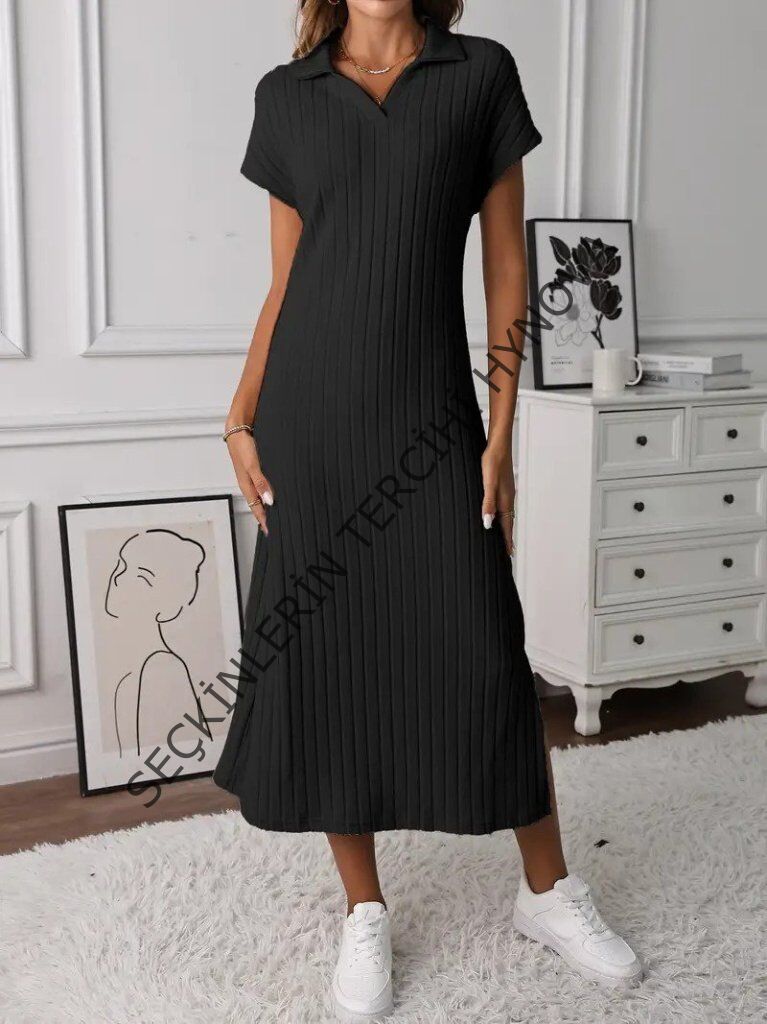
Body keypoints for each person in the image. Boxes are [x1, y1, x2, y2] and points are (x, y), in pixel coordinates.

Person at [213, 1, 643, 1017]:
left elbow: (506, 272)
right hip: (310, 424)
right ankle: (363, 909)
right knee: (325, 658)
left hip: (432, 421)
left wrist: (499, 434)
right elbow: (285, 283)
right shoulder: (287, 96)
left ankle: (546, 889)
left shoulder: (477, 75)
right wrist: (238, 414)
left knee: (484, 647)